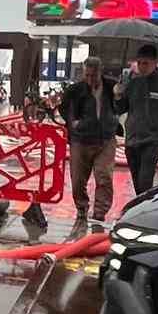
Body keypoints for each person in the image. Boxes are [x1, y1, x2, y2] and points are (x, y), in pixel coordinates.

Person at [57, 56, 121, 227]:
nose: (90, 79)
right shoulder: (75, 90)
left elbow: (123, 105)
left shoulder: (112, 87)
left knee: (104, 177)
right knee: (78, 179)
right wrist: (74, 123)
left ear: (101, 72)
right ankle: (81, 208)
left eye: (93, 75)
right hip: (80, 140)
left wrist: (119, 97)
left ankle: (99, 213)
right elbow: (63, 108)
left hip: (105, 139)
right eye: (87, 75)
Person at [114, 43, 158, 194]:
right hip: (131, 140)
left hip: (152, 141)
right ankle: (141, 209)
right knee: (137, 182)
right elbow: (120, 109)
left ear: (155, 63)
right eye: (139, 63)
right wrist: (118, 95)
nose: (142, 66)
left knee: (145, 181)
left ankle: (145, 212)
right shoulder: (133, 83)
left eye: (146, 63)